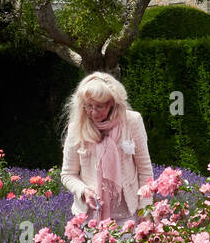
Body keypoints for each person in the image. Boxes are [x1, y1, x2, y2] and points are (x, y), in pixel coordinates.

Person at [60, 72, 152, 231]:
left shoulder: (132, 122)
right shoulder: (77, 127)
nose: (93, 112)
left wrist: (145, 209)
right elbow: (68, 174)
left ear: (112, 104)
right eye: (88, 106)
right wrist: (84, 191)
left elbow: (145, 171)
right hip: (90, 216)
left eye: (99, 106)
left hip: (128, 215)